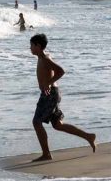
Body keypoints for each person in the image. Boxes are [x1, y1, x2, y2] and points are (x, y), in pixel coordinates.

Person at [29, 33, 96, 161]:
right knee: (57, 125)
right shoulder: (41, 58)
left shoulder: (45, 59)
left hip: (50, 95)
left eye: (31, 45)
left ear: (38, 46)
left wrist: (48, 83)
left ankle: (46, 154)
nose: (30, 48)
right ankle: (88, 136)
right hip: (50, 94)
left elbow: (61, 71)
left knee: (36, 122)